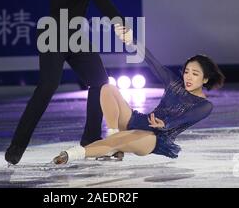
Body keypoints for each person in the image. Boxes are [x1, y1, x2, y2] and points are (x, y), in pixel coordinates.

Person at [0, 0, 126, 165]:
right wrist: (119, 22)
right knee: (47, 88)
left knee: (100, 83)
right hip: (54, 33)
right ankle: (18, 145)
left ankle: (90, 140)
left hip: (74, 35)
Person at [53, 24, 225, 164]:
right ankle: (113, 133)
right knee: (107, 88)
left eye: (195, 74)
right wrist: (132, 41)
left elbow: (182, 120)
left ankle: (70, 155)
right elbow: (151, 61)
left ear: (205, 79)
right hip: (138, 120)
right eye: (187, 71)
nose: (188, 77)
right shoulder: (174, 82)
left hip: (154, 136)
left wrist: (163, 124)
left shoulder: (205, 105)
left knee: (117, 142)